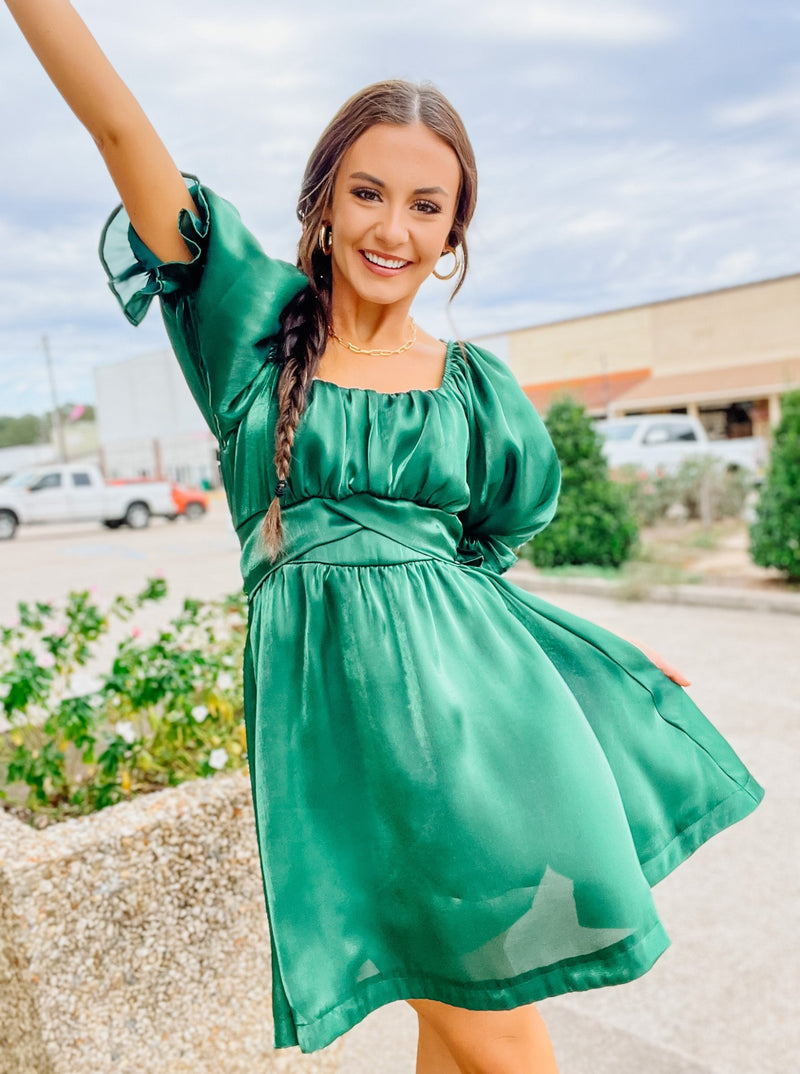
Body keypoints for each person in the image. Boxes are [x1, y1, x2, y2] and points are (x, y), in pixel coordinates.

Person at [5, 4, 764, 1072]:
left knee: (484, 1019)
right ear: (321, 201)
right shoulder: (250, 332)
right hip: (332, 736)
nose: (390, 229)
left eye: (425, 206)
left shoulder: (471, 390)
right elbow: (122, 134)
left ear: (452, 233)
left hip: (473, 731)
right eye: (366, 192)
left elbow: (475, 572)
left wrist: (588, 658)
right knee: (455, 1008)